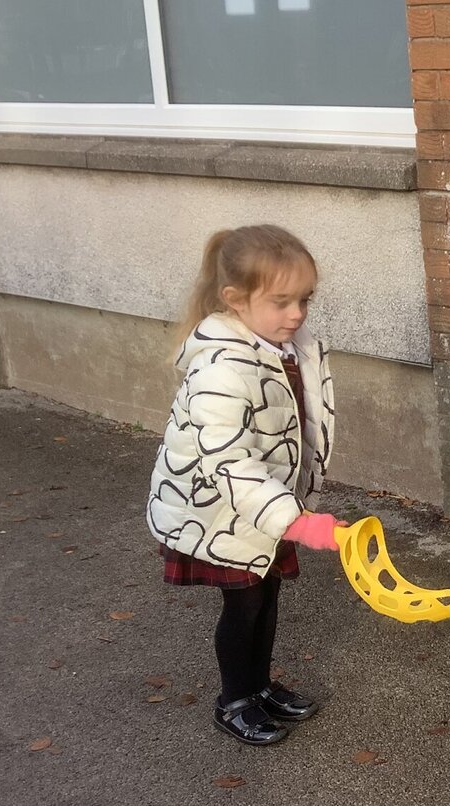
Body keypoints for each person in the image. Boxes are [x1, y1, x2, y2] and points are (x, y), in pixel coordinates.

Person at [147, 225, 341, 746]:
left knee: (267, 595)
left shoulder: (288, 348)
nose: (297, 313)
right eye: (281, 302)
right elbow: (228, 461)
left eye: (304, 299)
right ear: (235, 300)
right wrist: (297, 520)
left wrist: (292, 504)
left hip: (266, 506)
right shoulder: (220, 367)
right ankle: (234, 698)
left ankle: (259, 686)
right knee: (245, 604)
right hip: (220, 509)